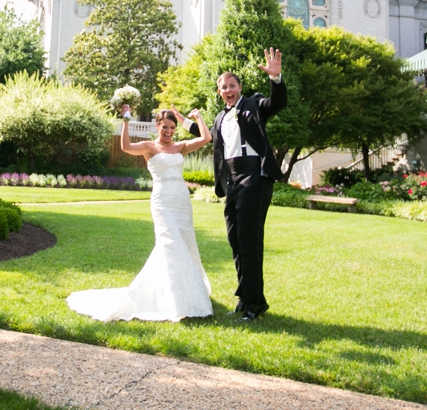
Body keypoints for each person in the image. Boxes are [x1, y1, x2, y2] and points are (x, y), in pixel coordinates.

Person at [67, 106, 212, 322]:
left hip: (181, 202)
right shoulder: (149, 147)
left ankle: (183, 295)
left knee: (185, 243)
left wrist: (194, 118)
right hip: (162, 201)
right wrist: (126, 119)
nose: (169, 131)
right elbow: (125, 146)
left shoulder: (180, 147)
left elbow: (206, 138)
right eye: (165, 127)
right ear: (157, 126)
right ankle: (172, 301)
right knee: (169, 244)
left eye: (172, 128)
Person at [191, 48, 286, 322]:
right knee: (235, 240)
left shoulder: (254, 104)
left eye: (232, 85)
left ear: (239, 87)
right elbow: (205, 136)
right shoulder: (221, 118)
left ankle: (255, 305)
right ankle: (246, 297)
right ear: (219, 92)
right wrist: (186, 120)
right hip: (231, 180)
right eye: (224, 87)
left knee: (249, 240)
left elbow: (276, 104)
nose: (228, 90)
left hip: (254, 176)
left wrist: (276, 78)